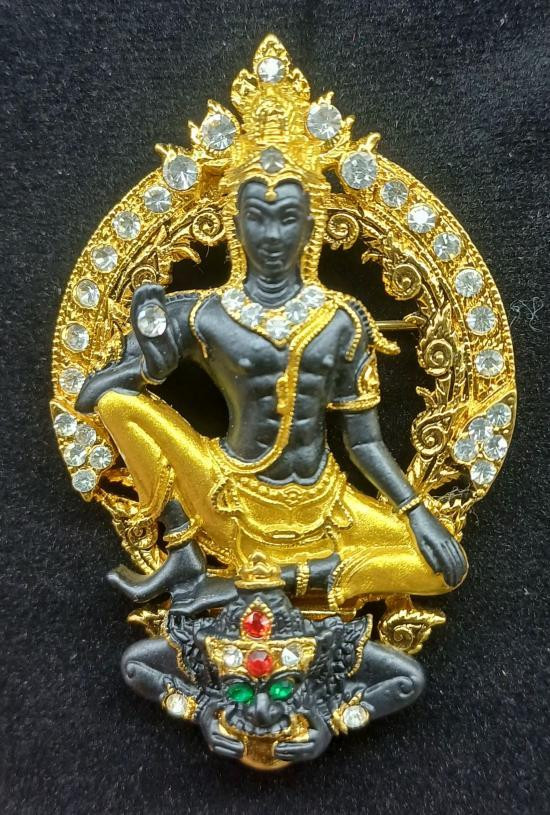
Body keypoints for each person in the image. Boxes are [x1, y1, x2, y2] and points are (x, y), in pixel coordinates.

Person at [76, 176, 467, 611]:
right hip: (226, 495)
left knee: (442, 569)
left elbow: (364, 442)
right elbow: (90, 399)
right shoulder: (202, 314)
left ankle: (262, 581)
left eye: (288, 218)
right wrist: (150, 368)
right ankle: (185, 552)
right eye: (257, 218)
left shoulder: (343, 321)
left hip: (326, 507)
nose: (272, 236)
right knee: (116, 404)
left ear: (311, 225)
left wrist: (416, 512)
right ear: (236, 224)